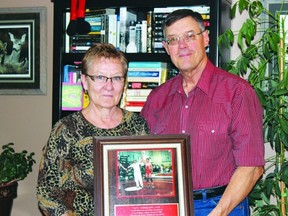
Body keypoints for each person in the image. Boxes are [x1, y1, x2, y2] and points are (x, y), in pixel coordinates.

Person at [140, 9, 265, 216]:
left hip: (221, 205)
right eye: (173, 39)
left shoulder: (237, 92)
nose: (182, 46)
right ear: (166, 48)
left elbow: (251, 167)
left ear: (205, 38)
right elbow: (140, 154)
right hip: (167, 205)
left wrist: (218, 212)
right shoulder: (156, 98)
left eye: (190, 36)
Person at [36, 44, 149, 216]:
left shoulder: (138, 125)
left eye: (116, 78)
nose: (109, 86)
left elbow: (148, 188)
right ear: (84, 81)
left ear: (124, 83)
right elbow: (46, 193)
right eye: (100, 77)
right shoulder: (66, 130)